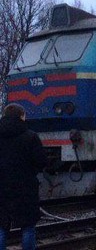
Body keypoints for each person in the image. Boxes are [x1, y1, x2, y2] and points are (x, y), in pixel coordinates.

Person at [0, 103, 47, 250]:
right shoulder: (31, 137)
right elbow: (41, 161)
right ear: (22, 116)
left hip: (1, 187)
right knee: (28, 227)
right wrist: (30, 172)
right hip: (25, 188)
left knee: (1, 226)